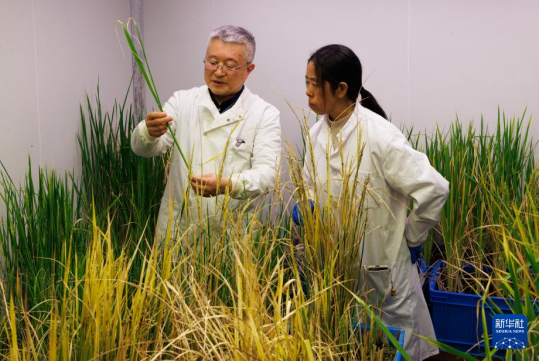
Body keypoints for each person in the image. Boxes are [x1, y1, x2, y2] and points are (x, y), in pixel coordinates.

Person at [295, 44, 448, 360]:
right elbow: (310, 185)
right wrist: (307, 206)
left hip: (383, 271)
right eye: (306, 82)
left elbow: (434, 188)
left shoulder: (380, 136)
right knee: (347, 347)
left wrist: (412, 236)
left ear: (341, 89)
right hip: (335, 270)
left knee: (392, 349)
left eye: (314, 84)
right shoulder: (315, 136)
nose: (307, 91)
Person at [131, 25, 282, 243]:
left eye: (229, 65)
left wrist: (227, 185)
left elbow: (267, 176)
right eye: (212, 62)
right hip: (179, 229)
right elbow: (144, 150)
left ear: (249, 69)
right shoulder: (182, 101)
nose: (218, 72)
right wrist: (149, 132)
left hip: (232, 234)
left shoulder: (264, 114)